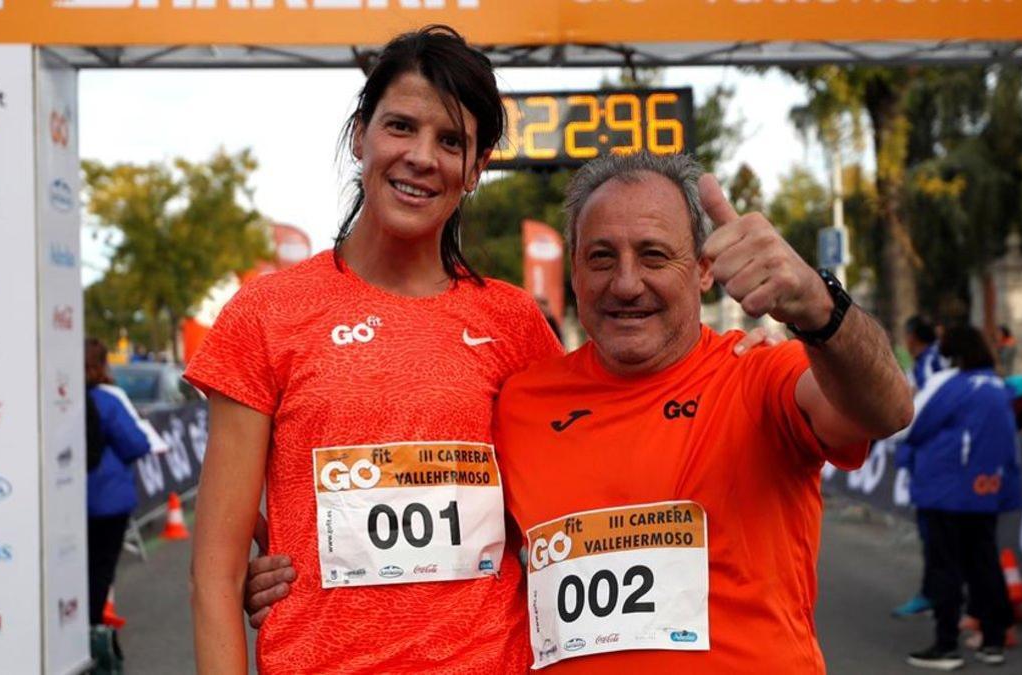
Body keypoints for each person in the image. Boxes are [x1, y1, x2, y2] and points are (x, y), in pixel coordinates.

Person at [184, 26, 565, 674]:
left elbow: (572, 506)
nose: (422, 156)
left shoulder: (514, 322)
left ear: (477, 167)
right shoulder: (266, 314)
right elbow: (215, 580)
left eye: (451, 141)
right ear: (360, 135)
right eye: (401, 127)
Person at [491, 152, 912, 671]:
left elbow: (887, 409)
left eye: (653, 256)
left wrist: (819, 307)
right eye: (601, 257)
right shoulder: (519, 403)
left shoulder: (757, 375)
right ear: (574, 270)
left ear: (703, 269)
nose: (626, 283)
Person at [896, 325, 1022, 670]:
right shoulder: (997, 385)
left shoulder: (955, 384)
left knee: (945, 568)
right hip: (985, 491)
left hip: (946, 489)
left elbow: (913, 423)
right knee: (985, 562)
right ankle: (993, 640)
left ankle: (946, 645)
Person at [84, 337, 153, 672]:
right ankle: (94, 644)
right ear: (99, 367)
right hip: (106, 501)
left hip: (64, 506)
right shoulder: (106, 400)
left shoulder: (54, 399)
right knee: (99, 573)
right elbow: (136, 443)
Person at [893, 314, 947, 619]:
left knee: (938, 537)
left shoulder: (929, 365)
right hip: (935, 461)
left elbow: (917, 411)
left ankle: (937, 599)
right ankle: (937, 595)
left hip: (934, 462)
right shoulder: (930, 361)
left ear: (914, 336)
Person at [905, 315, 945, 391]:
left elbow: (928, 393)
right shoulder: (935, 353)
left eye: (906, 335)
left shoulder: (927, 362)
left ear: (912, 337)